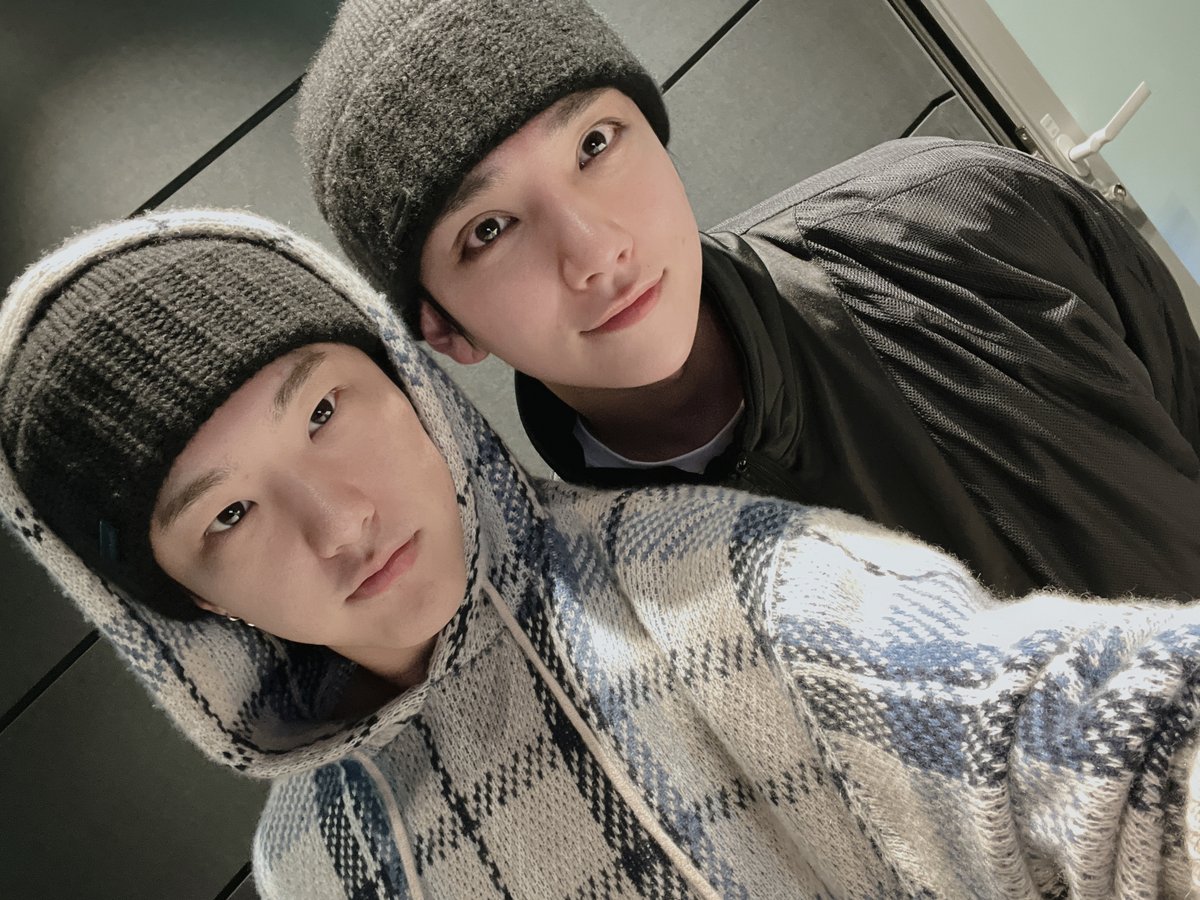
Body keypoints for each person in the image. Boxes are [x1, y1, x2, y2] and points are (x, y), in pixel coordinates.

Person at [5, 208, 1200, 898]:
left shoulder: (717, 580)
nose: (339, 522)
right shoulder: (307, 864)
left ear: (407, 382)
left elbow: (1074, 739)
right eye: (226, 517)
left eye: (323, 411)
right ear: (183, 605)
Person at [295, 0, 1200, 601]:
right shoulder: (617, 623)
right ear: (446, 328)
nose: (596, 252)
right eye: (489, 229)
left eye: (596, 143)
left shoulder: (970, 218)